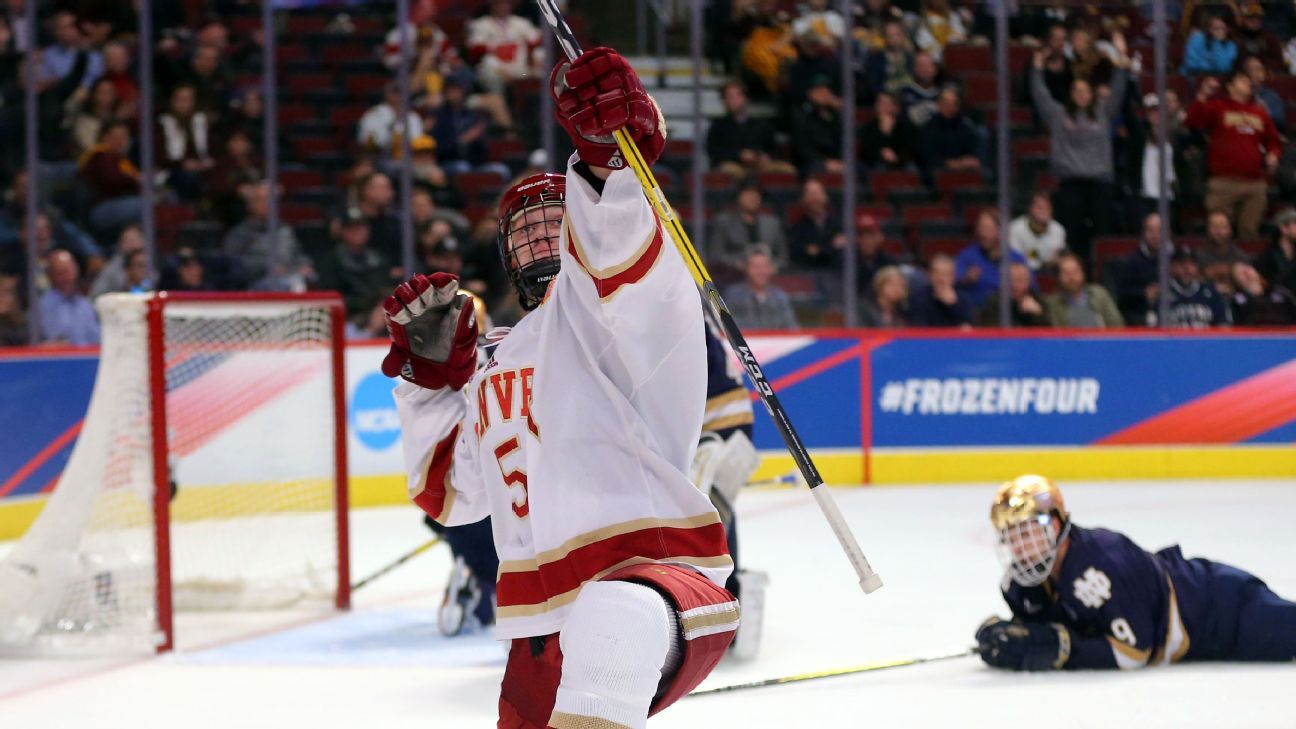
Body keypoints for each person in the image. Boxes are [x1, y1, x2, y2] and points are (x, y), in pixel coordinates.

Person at [386, 48, 736, 728]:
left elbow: (625, 259)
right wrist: (430, 386)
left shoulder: (624, 313)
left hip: (655, 579)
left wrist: (613, 168)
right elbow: (450, 497)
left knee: (614, 618)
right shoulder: (492, 360)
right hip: (538, 623)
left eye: (557, 217)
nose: (544, 234)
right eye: (526, 229)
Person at [976, 474, 1296, 671]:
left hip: (1220, 610)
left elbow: (1135, 652)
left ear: (1057, 525)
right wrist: (1011, 633)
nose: (1019, 547)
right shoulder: (1022, 583)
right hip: (1195, 621)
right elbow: (1051, 626)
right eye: (1012, 536)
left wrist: (1066, 651)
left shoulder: (1100, 563)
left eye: (1028, 533)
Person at [1029, 36, 1128, 261]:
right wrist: (1036, 69)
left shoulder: (1104, 112)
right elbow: (1040, 96)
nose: (1082, 95)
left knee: (1102, 236)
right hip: (1070, 184)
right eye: (1077, 91)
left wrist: (1121, 59)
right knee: (1072, 237)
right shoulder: (1058, 115)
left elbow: (1118, 89)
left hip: (1100, 184)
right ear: (1071, 94)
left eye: (1086, 91)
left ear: (1092, 94)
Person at [1185, 71, 1281, 237]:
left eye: (1248, 80)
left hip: (1254, 183)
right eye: (1242, 80)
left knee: (1249, 233)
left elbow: (1273, 140)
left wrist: (1273, 154)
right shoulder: (1218, 107)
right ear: (1230, 86)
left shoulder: (1259, 112)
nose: (1247, 83)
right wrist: (1203, 94)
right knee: (1218, 232)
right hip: (1223, 182)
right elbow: (1193, 121)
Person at [1148, 247, 1230, 328]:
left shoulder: (1211, 293)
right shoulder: (1160, 293)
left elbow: (1223, 326)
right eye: (1182, 264)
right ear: (1172, 267)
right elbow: (1152, 329)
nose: (1187, 269)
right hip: (1173, 340)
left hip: (1205, 340)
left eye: (1191, 264)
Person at [723, 245, 799, 330]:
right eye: (755, 266)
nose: (761, 271)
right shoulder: (735, 296)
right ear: (746, 268)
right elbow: (730, 329)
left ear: (771, 269)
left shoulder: (780, 297)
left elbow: (792, 329)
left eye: (765, 266)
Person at [1043, 252, 1123, 328]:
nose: (1071, 277)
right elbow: (1054, 334)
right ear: (1059, 277)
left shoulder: (1099, 294)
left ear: (1083, 273)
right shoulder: (1052, 303)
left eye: (1075, 271)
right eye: (1066, 273)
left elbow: (1117, 324)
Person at [38, 250, 98, 345]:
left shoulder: (86, 304)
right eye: (60, 273)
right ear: (51, 276)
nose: (67, 277)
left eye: (69, 271)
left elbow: (96, 339)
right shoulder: (42, 306)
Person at [908, 253, 974, 327]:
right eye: (937, 273)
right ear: (929, 275)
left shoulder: (963, 298)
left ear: (953, 277)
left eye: (946, 274)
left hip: (954, 338)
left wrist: (954, 304)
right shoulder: (918, 297)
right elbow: (918, 329)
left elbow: (971, 326)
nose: (941, 278)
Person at [1009, 192, 1067, 270]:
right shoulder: (1015, 228)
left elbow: (1058, 256)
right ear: (1030, 208)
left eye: (1048, 208)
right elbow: (1017, 257)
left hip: (1051, 271)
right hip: (1023, 271)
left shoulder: (1058, 229)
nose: (1044, 211)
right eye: (1040, 207)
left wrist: (1032, 255)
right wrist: (1040, 258)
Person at [980, 262, 1047, 327]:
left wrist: (1037, 314)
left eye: (1021, 280)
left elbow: (1049, 332)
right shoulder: (994, 301)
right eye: (1012, 280)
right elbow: (993, 331)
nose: (1016, 286)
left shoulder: (1037, 299)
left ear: (1028, 282)